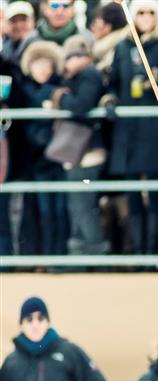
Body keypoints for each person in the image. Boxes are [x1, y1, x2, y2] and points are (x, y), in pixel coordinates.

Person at [103, 0, 158, 255]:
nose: (146, 16)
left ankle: (152, 250)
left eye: (151, 12)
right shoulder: (123, 46)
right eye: (141, 12)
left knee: (155, 191)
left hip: (155, 130)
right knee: (132, 193)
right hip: (128, 130)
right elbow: (113, 82)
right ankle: (138, 251)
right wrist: (109, 99)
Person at [47, 34, 108, 254]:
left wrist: (60, 99)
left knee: (83, 204)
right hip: (79, 151)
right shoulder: (80, 76)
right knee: (78, 204)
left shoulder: (88, 75)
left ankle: (94, 251)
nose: (73, 61)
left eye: (78, 56)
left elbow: (82, 105)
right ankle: (82, 251)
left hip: (87, 151)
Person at [0, 297, 110, 381]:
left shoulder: (69, 352)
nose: (35, 324)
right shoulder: (12, 361)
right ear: (21, 324)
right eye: (29, 319)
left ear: (48, 322)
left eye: (40, 318)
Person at [18, 39, 69, 254]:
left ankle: (60, 255)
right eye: (37, 63)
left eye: (47, 63)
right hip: (38, 160)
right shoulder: (24, 92)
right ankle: (47, 255)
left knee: (60, 209)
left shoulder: (62, 89)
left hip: (59, 157)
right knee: (44, 210)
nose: (42, 68)